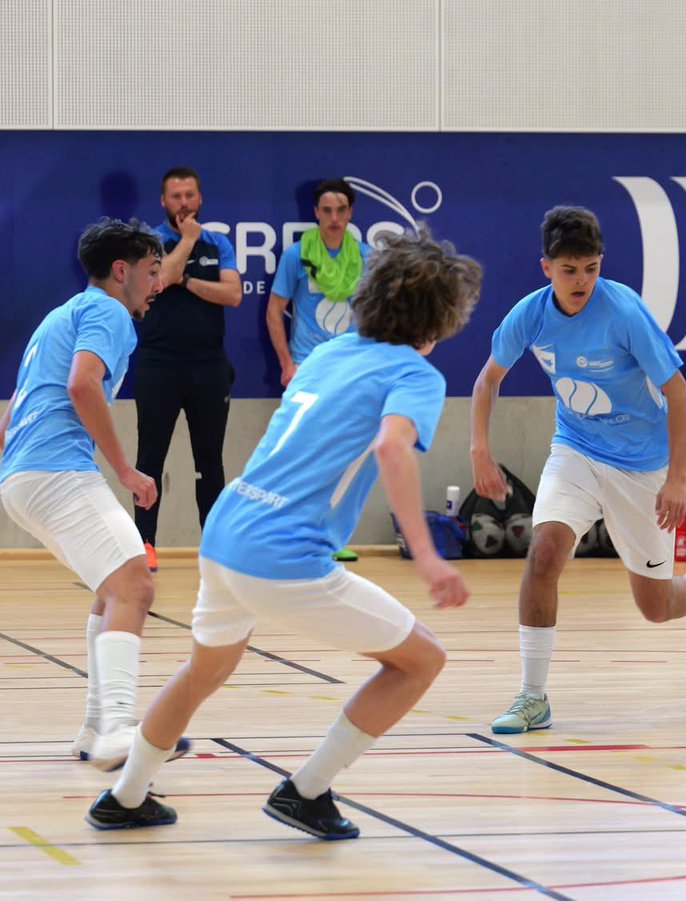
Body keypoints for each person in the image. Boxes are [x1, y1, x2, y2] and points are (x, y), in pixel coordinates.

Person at [87, 228, 481, 838]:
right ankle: (306, 791)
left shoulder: (330, 351)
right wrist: (428, 556)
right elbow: (391, 449)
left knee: (203, 671)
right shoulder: (415, 377)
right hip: (284, 555)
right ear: (442, 319)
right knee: (421, 660)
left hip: (227, 532)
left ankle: (126, 795)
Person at [471, 206, 686, 735]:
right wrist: (479, 450)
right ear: (547, 268)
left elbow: (680, 396)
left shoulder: (625, 312)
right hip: (576, 450)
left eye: (590, 268)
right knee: (544, 553)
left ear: (600, 264)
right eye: (569, 270)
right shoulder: (529, 315)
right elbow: (487, 380)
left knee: (655, 607)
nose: (580, 281)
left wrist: (677, 478)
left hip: (642, 467)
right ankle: (532, 697)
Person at [0, 219, 187, 769]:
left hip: (23, 477)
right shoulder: (108, 312)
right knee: (135, 585)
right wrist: (126, 470)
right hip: (55, 472)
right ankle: (117, 731)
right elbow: (82, 385)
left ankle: (93, 729)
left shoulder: (59, 316)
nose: (159, 285)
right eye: (152, 272)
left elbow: (15, 409)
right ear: (121, 271)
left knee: (112, 589)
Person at [135, 167, 242, 572]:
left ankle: (214, 548)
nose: (184, 203)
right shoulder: (148, 241)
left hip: (208, 367)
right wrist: (188, 242)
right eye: (176, 196)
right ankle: (144, 544)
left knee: (210, 462)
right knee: (150, 459)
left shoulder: (219, 243)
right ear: (163, 201)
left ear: (200, 199)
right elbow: (161, 279)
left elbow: (232, 294)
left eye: (190, 195)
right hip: (159, 365)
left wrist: (188, 281)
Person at [267, 177, 373, 563]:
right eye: (326, 210)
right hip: (308, 370)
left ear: (350, 212)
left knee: (342, 458)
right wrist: (286, 364)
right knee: (302, 455)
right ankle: (290, 533)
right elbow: (274, 311)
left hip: (349, 371)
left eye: (340, 210)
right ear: (315, 213)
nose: (333, 218)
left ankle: (328, 536)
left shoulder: (367, 257)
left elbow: (376, 316)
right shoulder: (297, 255)